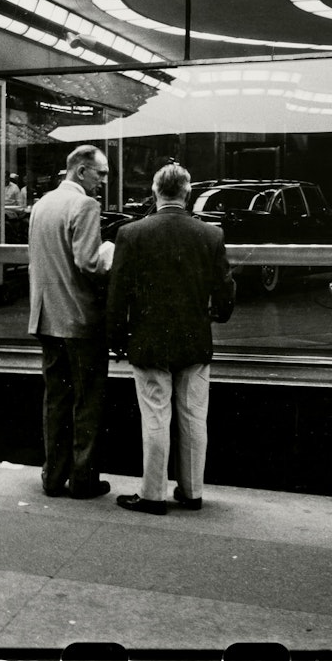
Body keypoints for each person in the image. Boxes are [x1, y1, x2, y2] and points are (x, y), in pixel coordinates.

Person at [107, 161, 236, 516]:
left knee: (155, 417)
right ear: (187, 193)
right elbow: (225, 290)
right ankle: (192, 492)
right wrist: (217, 315)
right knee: (195, 417)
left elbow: (117, 293)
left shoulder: (131, 234)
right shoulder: (211, 235)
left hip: (149, 340)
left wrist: (117, 336)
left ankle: (152, 495)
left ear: (155, 192)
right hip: (195, 338)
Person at [27, 144, 115, 499]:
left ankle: (52, 476)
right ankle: (83, 480)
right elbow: (89, 262)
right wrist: (108, 251)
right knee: (88, 401)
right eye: (101, 173)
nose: (104, 181)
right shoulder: (85, 205)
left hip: (47, 317)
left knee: (56, 400)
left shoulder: (41, 205)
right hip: (81, 320)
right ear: (81, 171)